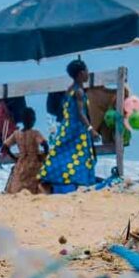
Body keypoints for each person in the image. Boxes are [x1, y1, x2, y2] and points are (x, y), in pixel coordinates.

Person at [39, 59, 98, 193]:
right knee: (80, 157)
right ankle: (79, 185)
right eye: (87, 71)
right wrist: (90, 129)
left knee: (62, 155)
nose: (88, 74)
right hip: (77, 130)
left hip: (66, 128)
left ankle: (52, 180)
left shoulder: (69, 90)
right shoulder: (79, 92)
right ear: (81, 73)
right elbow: (81, 113)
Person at [3, 108, 47, 194]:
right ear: (33, 120)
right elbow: (45, 144)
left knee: (19, 183)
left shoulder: (17, 134)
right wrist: (43, 156)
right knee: (35, 183)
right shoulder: (35, 133)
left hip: (21, 161)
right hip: (34, 161)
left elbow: (5, 147)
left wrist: (14, 158)